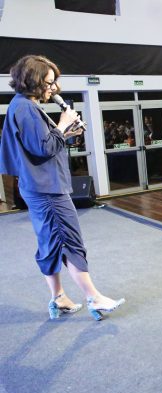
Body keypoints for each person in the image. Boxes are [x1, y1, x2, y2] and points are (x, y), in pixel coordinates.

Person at [0, 55, 124, 321]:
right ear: (33, 81)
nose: (54, 88)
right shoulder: (26, 108)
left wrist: (65, 134)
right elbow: (43, 148)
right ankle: (94, 297)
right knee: (69, 240)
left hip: (38, 186)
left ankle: (59, 298)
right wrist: (64, 123)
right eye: (49, 82)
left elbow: (41, 145)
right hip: (48, 189)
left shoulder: (21, 105)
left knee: (50, 243)